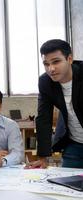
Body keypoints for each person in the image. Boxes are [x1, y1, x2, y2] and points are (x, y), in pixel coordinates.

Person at [26, 39, 83, 169]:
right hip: (74, 144)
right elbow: (43, 118)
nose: (51, 69)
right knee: (66, 186)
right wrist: (42, 157)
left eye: (56, 62)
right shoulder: (45, 82)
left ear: (69, 59)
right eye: (46, 64)